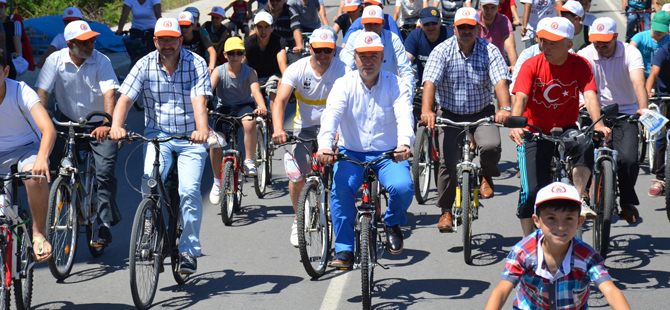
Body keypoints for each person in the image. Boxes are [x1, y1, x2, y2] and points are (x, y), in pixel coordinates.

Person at [110, 18, 211, 274]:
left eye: (172, 39)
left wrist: (201, 130)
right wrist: (116, 126)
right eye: (162, 39)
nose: (167, 45)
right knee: (149, 183)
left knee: (189, 192)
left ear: (181, 40)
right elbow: (125, 99)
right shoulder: (143, 64)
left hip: (190, 137)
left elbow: (199, 100)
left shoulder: (196, 63)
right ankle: (148, 228)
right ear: (154, 41)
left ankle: (188, 249)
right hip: (158, 135)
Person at [317, 31, 414, 266]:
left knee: (403, 187)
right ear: (355, 58)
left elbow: (404, 115)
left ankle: (391, 221)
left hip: (388, 153)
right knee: (341, 193)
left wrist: (405, 143)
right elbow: (331, 115)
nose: (368, 61)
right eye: (363, 56)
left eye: (374, 55)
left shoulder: (395, 83)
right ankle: (344, 250)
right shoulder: (344, 84)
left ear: (383, 58)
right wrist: (324, 146)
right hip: (350, 152)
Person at [509, 17, 608, 237]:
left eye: (553, 43)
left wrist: (598, 123)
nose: (546, 46)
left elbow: (590, 96)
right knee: (531, 192)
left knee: (584, 143)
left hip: (566, 127)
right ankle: (528, 245)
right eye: (543, 40)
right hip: (534, 132)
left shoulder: (580, 64)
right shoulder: (531, 64)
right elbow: (520, 98)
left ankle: (578, 199)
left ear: (569, 45)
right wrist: (516, 123)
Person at [421, 7, 511, 233]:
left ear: (478, 28)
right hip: (450, 113)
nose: (466, 31)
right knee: (447, 162)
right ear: (454, 29)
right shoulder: (442, 51)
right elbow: (430, 81)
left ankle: (487, 174)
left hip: (481, 112)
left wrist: (505, 107)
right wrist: (427, 111)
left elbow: (500, 80)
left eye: (471, 27)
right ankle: (446, 211)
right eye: (461, 27)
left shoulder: (490, 50)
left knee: (491, 146)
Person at [36, 21, 122, 246]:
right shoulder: (55, 60)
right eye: (84, 42)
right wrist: (43, 122)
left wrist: (107, 123)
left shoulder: (102, 60)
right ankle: (63, 196)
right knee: (52, 164)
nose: (90, 45)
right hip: (66, 121)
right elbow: (42, 93)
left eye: (92, 40)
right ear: (69, 44)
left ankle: (104, 223)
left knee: (104, 171)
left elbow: (110, 95)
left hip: (98, 124)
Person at [484, 182, 631, 310]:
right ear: (537, 221)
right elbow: (502, 290)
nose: (560, 226)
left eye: (568, 218)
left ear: (579, 222)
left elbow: (611, 291)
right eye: (551, 218)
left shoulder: (587, 257)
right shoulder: (522, 252)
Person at [271, 28, 349, 247]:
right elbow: (281, 101)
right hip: (305, 128)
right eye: (318, 50)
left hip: (334, 127)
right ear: (310, 48)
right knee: (298, 174)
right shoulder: (297, 69)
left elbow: (351, 103)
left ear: (335, 49)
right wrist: (278, 128)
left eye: (328, 50)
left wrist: (341, 131)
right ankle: (298, 218)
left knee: (346, 171)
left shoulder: (343, 70)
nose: (323, 55)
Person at [577, 17, 647, 224]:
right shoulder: (585, 54)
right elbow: (578, 84)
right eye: (596, 41)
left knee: (628, 159)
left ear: (615, 37)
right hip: (593, 110)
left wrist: (642, 108)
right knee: (584, 151)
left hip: (625, 111)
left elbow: (638, 82)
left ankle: (626, 202)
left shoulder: (630, 52)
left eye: (604, 42)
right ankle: (584, 193)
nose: (599, 46)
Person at [0, 49, 55, 264]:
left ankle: (39, 233)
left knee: (35, 176)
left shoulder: (21, 91)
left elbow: (48, 130)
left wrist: (41, 158)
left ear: (5, 72)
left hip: (27, 148)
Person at [208, 37, 267, 205]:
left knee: (249, 122)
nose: (235, 57)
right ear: (225, 55)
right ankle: (216, 182)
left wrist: (261, 106)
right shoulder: (219, 71)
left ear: (244, 55)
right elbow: (208, 90)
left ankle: (249, 161)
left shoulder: (250, 72)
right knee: (215, 142)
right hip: (224, 108)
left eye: (239, 53)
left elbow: (255, 90)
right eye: (231, 53)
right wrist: (204, 104)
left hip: (243, 106)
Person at [341, 5, 415, 94]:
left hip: (388, 90)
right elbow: (347, 68)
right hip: (361, 90)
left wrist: (407, 97)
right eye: (368, 24)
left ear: (383, 23)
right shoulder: (354, 38)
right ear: (362, 24)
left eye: (375, 24)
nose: (372, 28)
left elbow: (405, 69)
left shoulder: (393, 39)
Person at [244, 12, 289, 108]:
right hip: (254, 77)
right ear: (255, 28)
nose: (263, 31)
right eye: (260, 27)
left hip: (272, 76)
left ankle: (274, 119)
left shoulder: (278, 41)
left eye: (267, 27)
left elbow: (282, 62)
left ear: (272, 28)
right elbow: (241, 62)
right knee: (250, 98)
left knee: (274, 91)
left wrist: (286, 79)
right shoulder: (249, 42)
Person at [646, 26, 670, 198]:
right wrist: (646, 94)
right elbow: (653, 73)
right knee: (661, 134)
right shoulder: (664, 50)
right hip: (666, 98)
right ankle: (660, 178)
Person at [404, 7, 453, 84]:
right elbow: (405, 62)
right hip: (423, 83)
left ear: (440, 21)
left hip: (447, 84)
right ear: (421, 23)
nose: (430, 27)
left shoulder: (450, 36)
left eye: (434, 23)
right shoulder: (415, 36)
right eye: (426, 24)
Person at [478, 0, 517, 71]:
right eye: (485, 7)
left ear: (498, 6)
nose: (489, 11)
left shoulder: (504, 20)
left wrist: (514, 67)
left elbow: (510, 46)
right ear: (480, 5)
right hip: (477, 65)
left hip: (498, 65)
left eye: (493, 7)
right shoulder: (475, 19)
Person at [629, 11, 670, 76]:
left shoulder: (668, 40)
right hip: (640, 75)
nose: (659, 31)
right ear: (651, 23)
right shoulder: (640, 37)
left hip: (661, 77)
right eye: (657, 28)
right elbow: (628, 52)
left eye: (662, 29)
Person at [0, 0, 24, 79]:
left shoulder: (14, 23)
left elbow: (17, 38)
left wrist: (18, 55)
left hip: (9, 58)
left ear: (5, 8)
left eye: (1, 7)